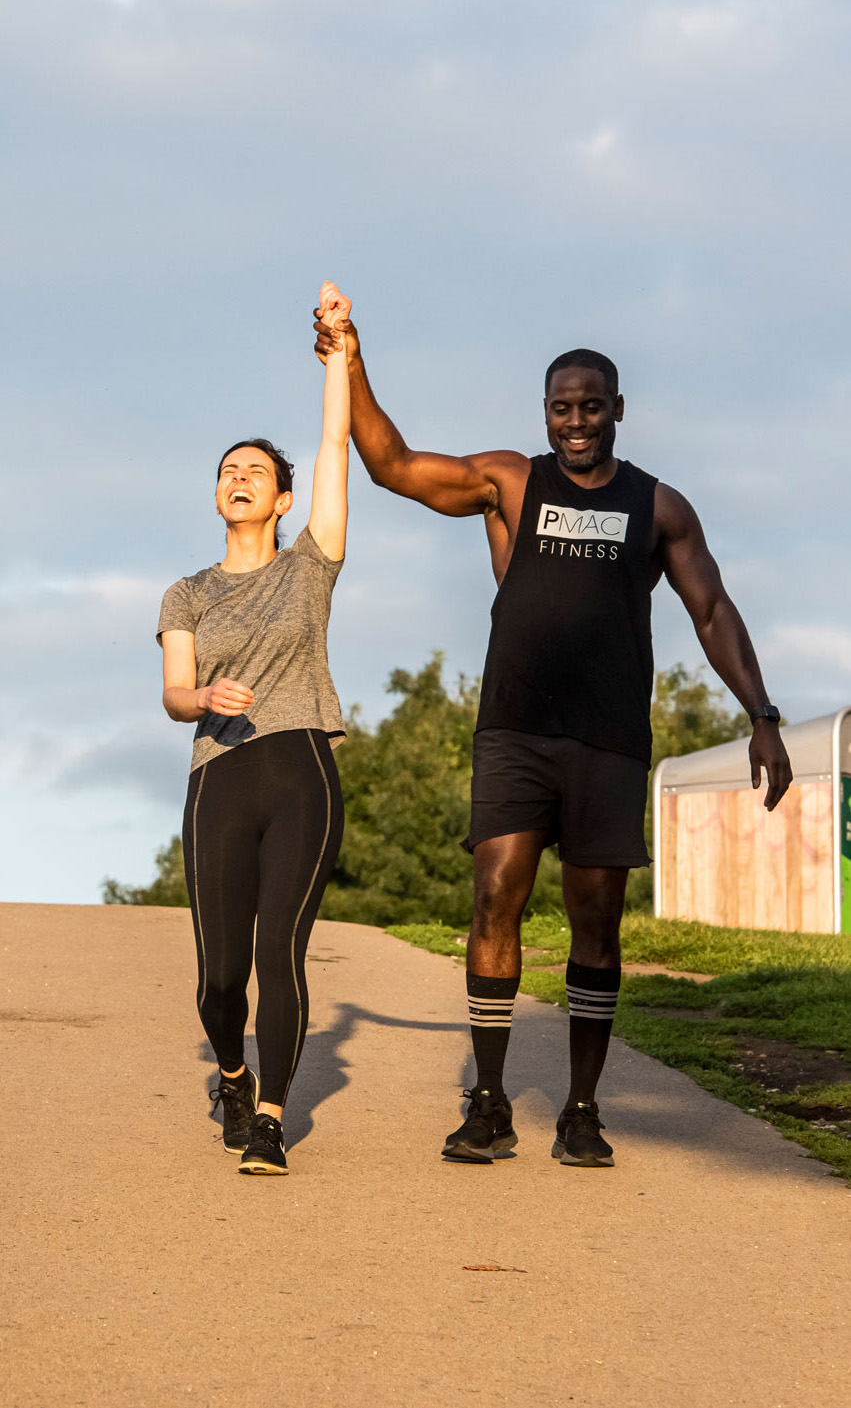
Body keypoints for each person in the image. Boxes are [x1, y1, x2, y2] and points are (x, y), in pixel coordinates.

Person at [313, 308, 792, 1168]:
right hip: (516, 730)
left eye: (590, 407)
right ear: (544, 412)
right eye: (560, 408)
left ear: (617, 408)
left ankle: (579, 1108)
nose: (575, 421)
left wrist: (760, 715)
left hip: (607, 740)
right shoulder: (507, 481)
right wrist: (350, 362)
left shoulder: (657, 505)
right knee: (495, 893)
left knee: (595, 922)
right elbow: (390, 465)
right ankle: (489, 1100)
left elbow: (711, 610)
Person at [157, 281, 351, 1175]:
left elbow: (333, 444)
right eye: (227, 471)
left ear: (281, 500)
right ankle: (232, 1072)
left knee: (282, 949)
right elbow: (173, 693)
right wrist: (206, 700)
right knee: (218, 979)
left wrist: (338, 352)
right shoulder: (187, 592)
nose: (238, 481)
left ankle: (270, 1115)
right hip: (219, 778)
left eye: (255, 474)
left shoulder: (310, 566)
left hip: (300, 767)